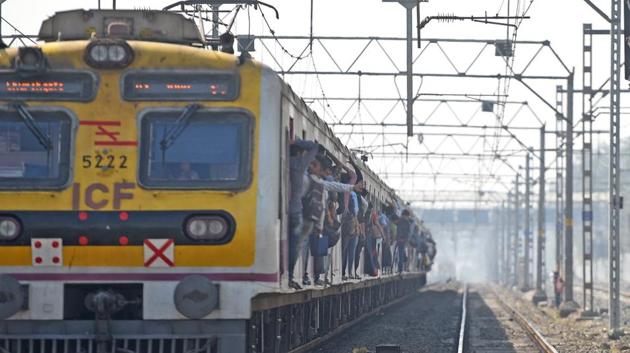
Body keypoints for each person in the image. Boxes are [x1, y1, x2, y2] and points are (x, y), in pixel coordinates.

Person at [299, 154, 364, 287]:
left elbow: (335, 186)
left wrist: (351, 188)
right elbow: (335, 189)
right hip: (311, 220)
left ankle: (313, 276)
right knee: (312, 248)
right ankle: (312, 276)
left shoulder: (321, 182)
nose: (329, 172)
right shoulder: (312, 180)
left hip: (317, 222)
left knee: (314, 248)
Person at [288, 140, 319, 290]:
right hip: (295, 211)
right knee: (295, 245)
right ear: (300, 153)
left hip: (279, 211)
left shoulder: (281, 162)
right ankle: (288, 276)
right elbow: (314, 147)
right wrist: (295, 141)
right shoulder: (299, 164)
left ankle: (284, 275)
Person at [396, 209, 412, 274]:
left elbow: (399, 230)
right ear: (406, 215)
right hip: (403, 240)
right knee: (401, 254)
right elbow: (408, 232)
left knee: (400, 254)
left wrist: (398, 238)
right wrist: (406, 239)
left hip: (400, 239)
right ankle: (401, 269)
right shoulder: (407, 222)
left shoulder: (400, 221)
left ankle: (400, 269)